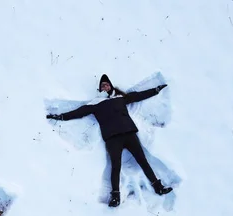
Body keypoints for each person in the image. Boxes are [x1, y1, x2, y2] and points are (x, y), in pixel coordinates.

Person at [46, 74, 173, 207]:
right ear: (100, 89)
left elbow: (138, 96)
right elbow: (77, 112)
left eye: (106, 84)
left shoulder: (120, 98)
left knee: (143, 161)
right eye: (102, 85)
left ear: (110, 86)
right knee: (116, 167)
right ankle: (115, 197)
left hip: (129, 134)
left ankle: (158, 187)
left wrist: (155, 90)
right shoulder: (95, 103)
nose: (105, 86)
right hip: (113, 139)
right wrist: (60, 117)